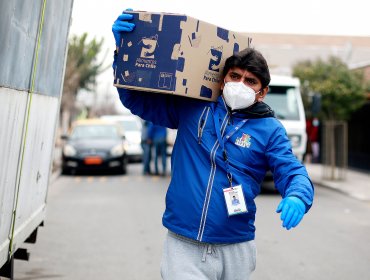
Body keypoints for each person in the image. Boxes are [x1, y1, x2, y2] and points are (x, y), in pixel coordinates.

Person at [112, 12, 314, 280]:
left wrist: (299, 195)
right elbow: (137, 100)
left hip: (237, 247)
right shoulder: (193, 108)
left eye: (250, 81)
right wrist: (124, 48)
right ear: (222, 80)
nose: (240, 84)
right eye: (235, 76)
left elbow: (292, 170)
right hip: (184, 244)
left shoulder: (270, 130)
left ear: (262, 91)